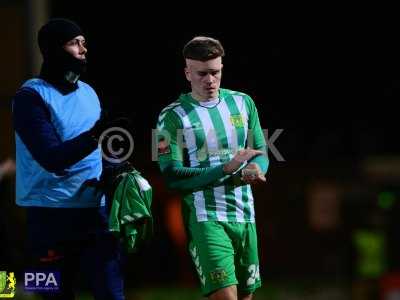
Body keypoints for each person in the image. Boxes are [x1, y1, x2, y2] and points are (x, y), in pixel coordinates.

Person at [12, 18, 126, 299]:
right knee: (50, 295)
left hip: (94, 212)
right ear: (53, 49)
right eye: (75, 43)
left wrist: (116, 169)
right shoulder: (29, 97)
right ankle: (10, 289)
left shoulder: (89, 92)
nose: (83, 49)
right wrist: (96, 135)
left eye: (84, 43)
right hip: (48, 216)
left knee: (112, 294)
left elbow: (97, 152)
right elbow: (52, 158)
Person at [156, 36, 269, 300]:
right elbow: (171, 175)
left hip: (245, 215)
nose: (210, 80)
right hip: (206, 217)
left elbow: (261, 151)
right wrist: (226, 169)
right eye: (202, 73)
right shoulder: (170, 116)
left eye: (215, 72)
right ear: (187, 73)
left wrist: (256, 168)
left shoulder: (243, 102)